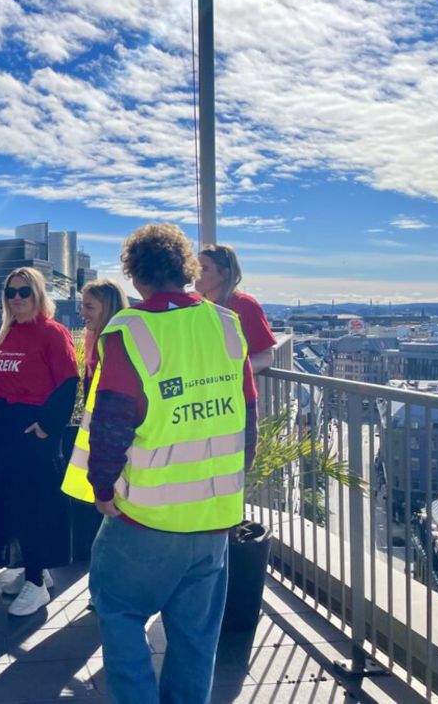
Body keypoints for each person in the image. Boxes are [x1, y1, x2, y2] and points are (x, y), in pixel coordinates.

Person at [62, 224, 257, 704]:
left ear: (134, 274)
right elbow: (248, 418)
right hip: (214, 519)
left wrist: (102, 490)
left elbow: (111, 422)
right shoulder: (226, 325)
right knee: (196, 638)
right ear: (186, 269)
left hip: (145, 518)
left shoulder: (128, 330)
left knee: (119, 612)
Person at [0, 266, 78, 616]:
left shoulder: (52, 333)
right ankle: (33, 572)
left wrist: (46, 427)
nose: (16, 298)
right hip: (6, 429)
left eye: (24, 291)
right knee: (15, 504)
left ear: (38, 294)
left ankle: (37, 583)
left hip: (33, 430)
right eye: (11, 292)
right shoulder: (8, 334)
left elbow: (69, 384)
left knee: (35, 506)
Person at [196, 244, 277, 375]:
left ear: (225, 274)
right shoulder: (196, 306)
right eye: (195, 267)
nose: (196, 274)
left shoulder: (245, 305)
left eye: (204, 269)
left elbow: (266, 356)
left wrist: (233, 372)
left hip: (235, 390)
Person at [80, 278, 128, 398]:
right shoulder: (91, 338)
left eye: (89, 307)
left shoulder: (121, 344)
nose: (82, 313)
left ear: (108, 308)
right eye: (83, 306)